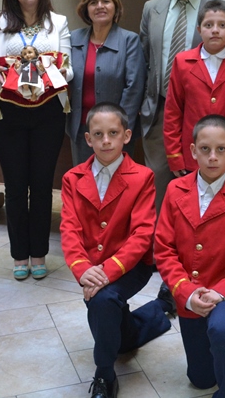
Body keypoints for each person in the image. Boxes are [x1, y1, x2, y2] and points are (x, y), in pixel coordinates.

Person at [60, 102, 171, 398]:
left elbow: (142, 234)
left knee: (102, 300)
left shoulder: (143, 177)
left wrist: (105, 274)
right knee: (112, 315)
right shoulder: (72, 179)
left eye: (113, 133)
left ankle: (104, 375)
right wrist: (82, 269)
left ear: (126, 136)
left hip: (131, 266)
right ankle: (144, 322)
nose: (106, 140)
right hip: (90, 266)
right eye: (98, 134)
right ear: (88, 139)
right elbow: (69, 230)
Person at [0, 0, 72, 280]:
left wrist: (54, 71)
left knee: (42, 187)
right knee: (15, 187)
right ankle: (19, 255)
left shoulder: (58, 22)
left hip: (48, 113)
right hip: (8, 112)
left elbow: (69, 68)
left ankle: (39, 253)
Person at [155, 115, 225, 397]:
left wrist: (223, 291)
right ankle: (214, 334)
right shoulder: (175, 189)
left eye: (221, 149)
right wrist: (187, 293)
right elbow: (164, 249)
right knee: (200, 379)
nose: (212, 157)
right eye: (205, 149)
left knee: (223, 330)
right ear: (193, 151)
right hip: (188, 291)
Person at [139, 0, 225, 211]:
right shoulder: (152, 8)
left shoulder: (222, 11)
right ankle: (161, 239)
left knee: (207, 194)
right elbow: (146, 58)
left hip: (210, 113)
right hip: (161, 112)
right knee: (160, 192)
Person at [164, 0, 225, 177]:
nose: (215, 30)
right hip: (194, 155)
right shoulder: (182, 62)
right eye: (208, 25)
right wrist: (175, 156)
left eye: (222, 25)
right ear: (199, 29)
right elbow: (173, 112)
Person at [67, 0, 146, 165]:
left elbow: (134, 88)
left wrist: (120, 128)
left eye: (106, 1)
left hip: (116, 132)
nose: (100, 6)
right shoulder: (73, 39)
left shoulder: (129, 40)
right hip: (82, 129)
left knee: (117, 179)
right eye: (93, 2)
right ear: (86, 9)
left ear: (115, 7)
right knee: (85, 179)